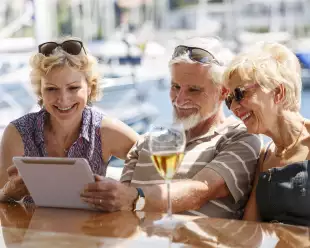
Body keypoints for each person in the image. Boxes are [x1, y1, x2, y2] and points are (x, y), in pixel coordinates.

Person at [80, 37, 262, 218]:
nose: (180, 100)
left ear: (223, 91)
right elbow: (121, 209)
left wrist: (135, 198)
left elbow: (201, 190)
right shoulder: (145, 143)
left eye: (194, 90)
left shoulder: (241, 138)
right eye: (175, 87)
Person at [0, 37, 139, 202]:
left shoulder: (104, 130)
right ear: (40, 92)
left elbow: (153, 162)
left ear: (90, 87)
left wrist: (130, 193)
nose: (63, 99)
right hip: (33, 227)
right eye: (51, 89)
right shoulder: (17, 133)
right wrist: (8, 193)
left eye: (73, 88)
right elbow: (2, 196)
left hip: (93, 227)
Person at [223, 41, 310, 226]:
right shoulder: (265, 156)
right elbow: (250, 226)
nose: (233, 107)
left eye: (239, 94)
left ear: (278, 92)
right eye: (228, 100)